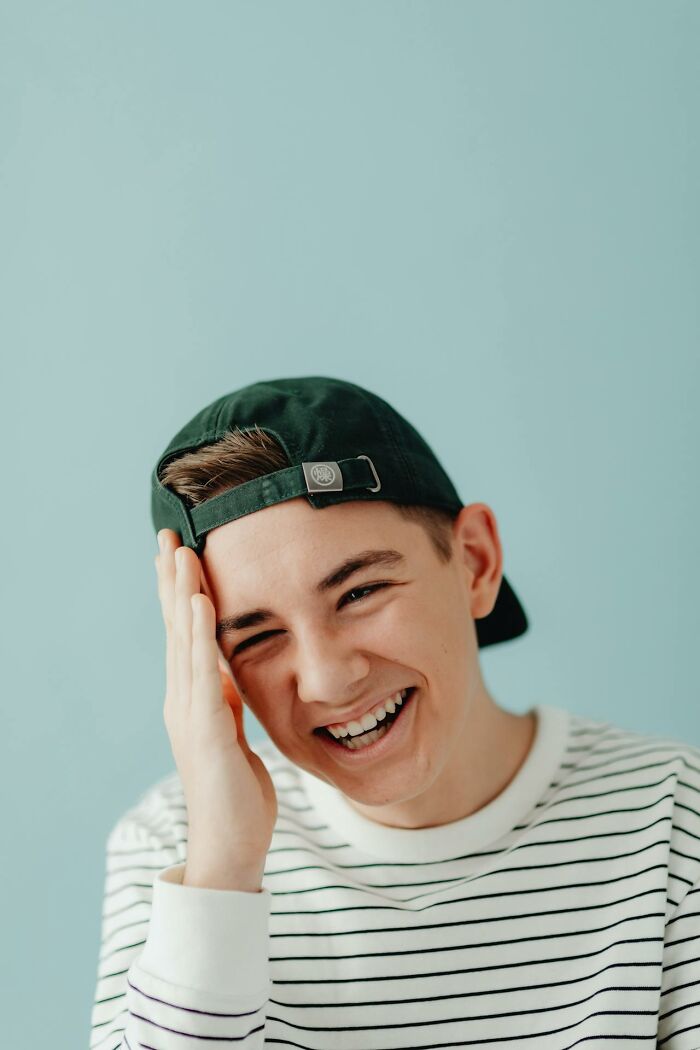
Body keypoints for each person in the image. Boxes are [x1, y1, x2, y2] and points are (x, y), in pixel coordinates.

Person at [89, 376, 700, 1049]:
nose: (327, 679)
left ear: (475, 563)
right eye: (257, 636)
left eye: (359, 592)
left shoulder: (674, 822)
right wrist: (222, 874)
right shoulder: (173, 849)